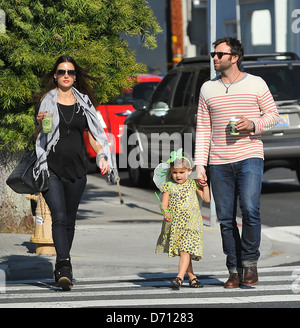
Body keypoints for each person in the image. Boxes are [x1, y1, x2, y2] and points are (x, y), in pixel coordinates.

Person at [195, 37, 279, 288]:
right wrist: (201, 165)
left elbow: (274, 115)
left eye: (219, 54)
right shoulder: (207, 89)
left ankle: (250, 264)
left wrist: (253, 125)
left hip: (250, 155)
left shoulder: (256, 83)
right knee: (226, 218)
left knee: (251, 209)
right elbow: (202, 129)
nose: (215, 58)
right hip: (219, 162)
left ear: (235, 57)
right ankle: (233, 269)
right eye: (213, 54)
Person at [33, 55, 117, 291]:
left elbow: (93, 135)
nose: (66, 75)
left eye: (70, 72)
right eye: (61, 72)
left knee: (69, 221)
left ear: (75, 77)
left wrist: (101, 156)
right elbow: (36, 138)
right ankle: (65, 265)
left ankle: (61, 267)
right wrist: (39, 124)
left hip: (78, 170)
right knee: (59, 217)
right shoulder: (45, 101)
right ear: (55, 76)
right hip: (50, 168)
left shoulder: (85, 103)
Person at [154, 149, 210, 288]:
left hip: (192, 223)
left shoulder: (193, 184)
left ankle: (179, 278)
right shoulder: (168, 186)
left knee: (185, 250)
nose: (178, 175)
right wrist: (165, 212)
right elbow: (164, 205)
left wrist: (206, 186)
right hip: (176, 224)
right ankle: (192, 278)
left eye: (181, 172)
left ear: (189, 171)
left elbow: (206, 199)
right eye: (174, 172)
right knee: (184, 252)